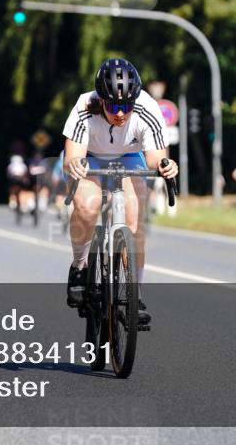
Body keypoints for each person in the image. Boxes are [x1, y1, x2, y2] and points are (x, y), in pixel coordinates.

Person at [62, 58, 179, 326]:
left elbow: (155, 158)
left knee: (135, 223)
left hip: (129, 157)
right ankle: (79, 267)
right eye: (114, 106)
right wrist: (76, 166)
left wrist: (165, 166)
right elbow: (73, 156)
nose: (121, 113)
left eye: (126, 105)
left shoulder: (147, 108)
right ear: (101, 100)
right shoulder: (84, 107)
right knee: (88, 206)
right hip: (89, 156)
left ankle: (134, 296)